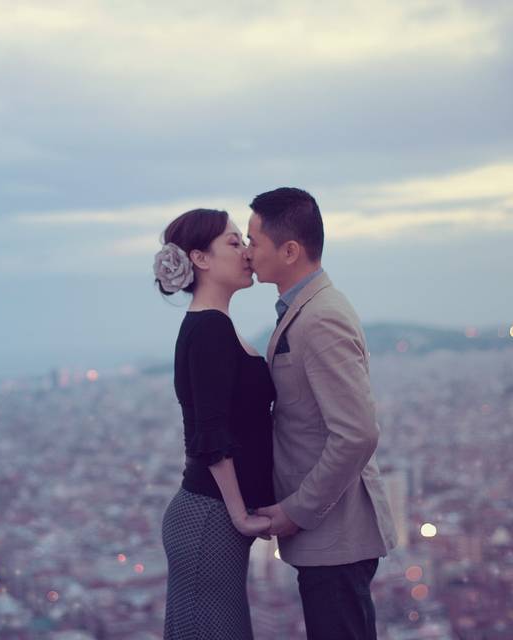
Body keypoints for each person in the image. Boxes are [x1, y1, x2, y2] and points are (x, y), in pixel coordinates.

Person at [246, 188, 398, 640]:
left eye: (255, 240)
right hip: (329, 536)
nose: (249, 251)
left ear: (290, 250)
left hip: (336, 534)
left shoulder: (320, 317)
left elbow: (356, 434)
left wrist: (296, 511)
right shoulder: (305, 310)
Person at [153, 208, 276, 640]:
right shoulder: (208, 330)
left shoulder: (216, 325)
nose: (246, 252)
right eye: (233, 242)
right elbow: (209, 432)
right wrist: (240, 515)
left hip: (207, 515)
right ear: (200, 259)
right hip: (210, 517)